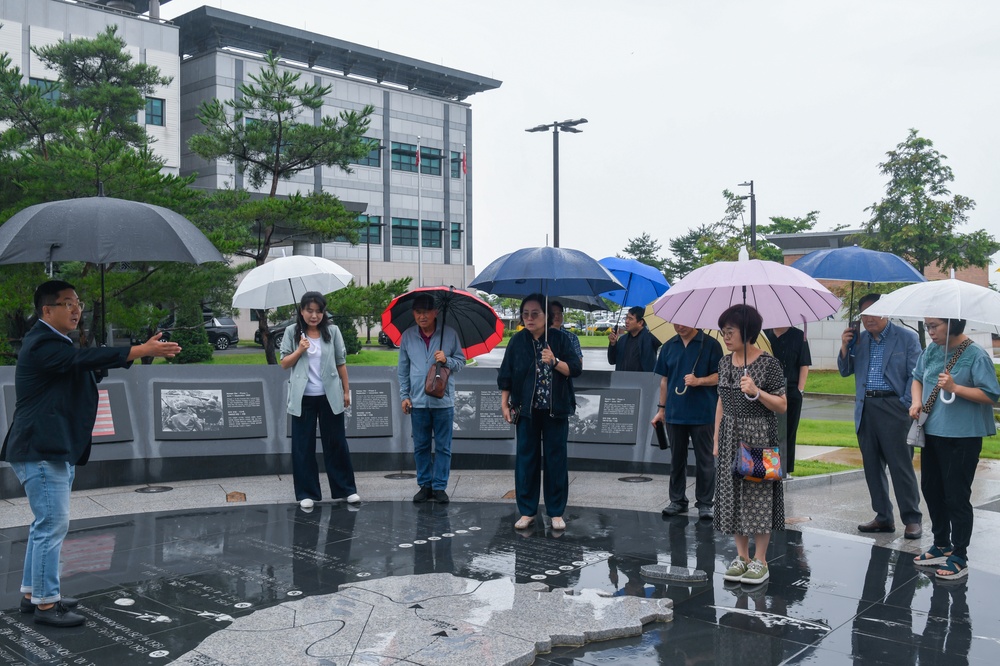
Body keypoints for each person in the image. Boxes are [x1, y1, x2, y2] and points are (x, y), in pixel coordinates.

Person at [0, 280, 180, 627]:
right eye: (67, 303)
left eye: (78, 302)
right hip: (42, 448)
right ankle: (47, 606)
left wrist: (118, 358)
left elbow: (80, 366)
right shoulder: (42, 343)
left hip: (50, 446)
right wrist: (138, 351)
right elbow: (78, 360)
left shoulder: (56, 343)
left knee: (44, 525)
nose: (76, 309)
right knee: (52, 525)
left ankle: (32, 594)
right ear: (46, 310)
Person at [910, 318, 999, 580]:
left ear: (953, 324)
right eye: (927, 326)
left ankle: (959, 555)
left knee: (956, 495)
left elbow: (991, 394)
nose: (930, 331)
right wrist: (916, 401)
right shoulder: (931, 351)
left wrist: (955, 387)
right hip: (932, 431)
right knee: (932, 489)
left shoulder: (975, 354)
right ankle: (941, 544)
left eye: (935, 326)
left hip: (962, 436)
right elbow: (917, 378)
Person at [838, 293, 923, 538]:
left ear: (886, 312)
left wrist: (905, 403)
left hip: (895, 407)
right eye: (864, 314)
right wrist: (845, 346)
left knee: (900, 466)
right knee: (872, 467)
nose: (868, 318)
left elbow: (915, 374)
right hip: (866, 408)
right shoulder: (860, 340)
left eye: (873, 312)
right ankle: (883, 517)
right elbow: (845, 371)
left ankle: (912, 518)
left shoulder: (906, 338)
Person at [714, 304, 787, 586]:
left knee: (758, 497)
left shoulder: (769, 364)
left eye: (730, 331)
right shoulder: (723, 363)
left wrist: (757, 392)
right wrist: (716, 438)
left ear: (747, 332)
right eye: (723, 332)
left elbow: (781, 405)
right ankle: (741, 556)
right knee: (732, 496)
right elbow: (721, 400)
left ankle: (761, 560)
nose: (726, 337)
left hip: (758, 434)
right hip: (730, 433)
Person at [498, 294, 583, 531]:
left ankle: (556, 512)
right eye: (525, 314)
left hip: (556, 410)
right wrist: (504, 404)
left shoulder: (560, 339)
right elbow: (506, 374)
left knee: (556, 460)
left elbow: (575, 369)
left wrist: (554, 361)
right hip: (527, 411)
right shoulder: (517, 341)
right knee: (527, 460)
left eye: (535, 313)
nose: (529, 318)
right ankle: (527, 511)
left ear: (547, 316)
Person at [280, 291, 359, 509]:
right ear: (301, 311)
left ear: (324, 312)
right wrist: (300, 349)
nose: (314, 315)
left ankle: (346, 489)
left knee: (336, 443)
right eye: (309, 310)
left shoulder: (332, 332)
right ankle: (307, 492)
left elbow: (341, 362)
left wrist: (346, 391)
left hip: (329, 395)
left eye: (318, 311)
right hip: (303, 397)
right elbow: (284, 363)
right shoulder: (292, 332)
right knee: (303, 445)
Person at [397, 294, 465, 504]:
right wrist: (404, 396)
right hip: (417, 402)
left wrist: (448, 360)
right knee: (421, 446)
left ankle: (440, 487)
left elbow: (461, 362)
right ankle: (425, 485)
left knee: (443, 446)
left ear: (436, 312)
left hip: (442, 401)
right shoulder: (407, 336)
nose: (422, 316)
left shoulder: (450, 334)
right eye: (418, 312)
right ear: (414, 314)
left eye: (426, 311)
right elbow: (403, 369)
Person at [652, 323, 724, 520]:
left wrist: (699, 381)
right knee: (677, 459)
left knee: (705, 460)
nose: (679, 326)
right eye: (675, 322)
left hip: (703, 412)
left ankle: (705, 503)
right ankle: (677, 500)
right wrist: (661, 410)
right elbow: (664, 381)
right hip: (675, 413)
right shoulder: (668, 347)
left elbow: (720, 376)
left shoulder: (710, 345)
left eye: (683, 323)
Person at [763, 326, 812, 474]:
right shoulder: (764, 335)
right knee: (768, 430)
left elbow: (804, 364)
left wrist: (800, 389)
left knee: (789, 430)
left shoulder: (799, 336)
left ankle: (786, 469)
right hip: (767, 391)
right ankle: (769, 468)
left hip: (791, 389)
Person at [607, 306, 661, 372]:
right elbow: (612, 361)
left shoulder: (651, 338)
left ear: (640, 323)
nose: (626, 321)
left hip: (644, 380)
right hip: (623, 380)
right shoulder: (622, 340)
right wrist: (613, 344)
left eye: (630, 319)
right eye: (626, 317)